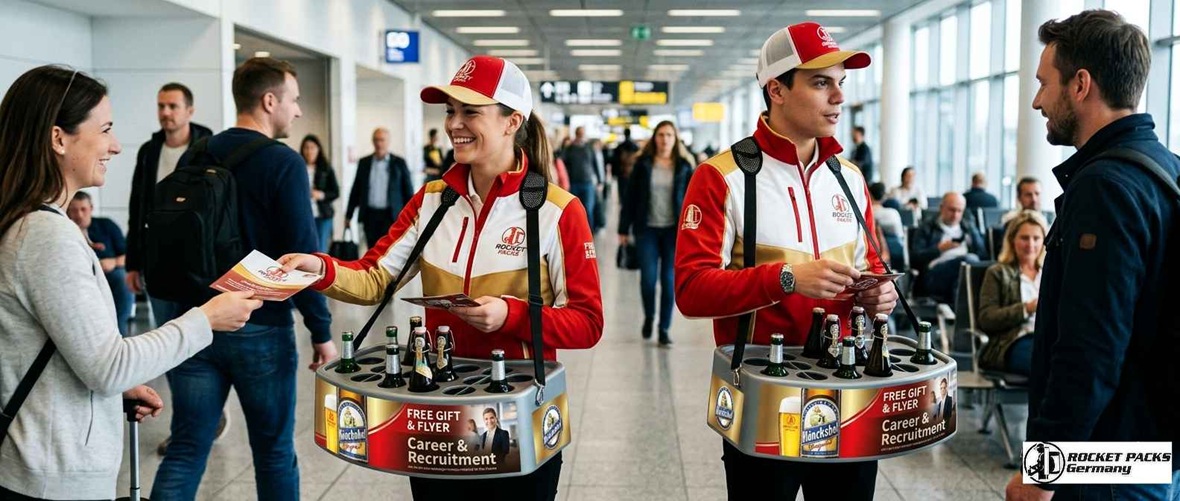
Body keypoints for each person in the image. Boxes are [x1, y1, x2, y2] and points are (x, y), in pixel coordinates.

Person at [279, 55, 603, 501]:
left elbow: (588, 322)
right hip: (437, 410)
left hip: (518, 410)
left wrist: (508, 314)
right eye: (450, 110)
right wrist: (319, 267)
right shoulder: (433, 200)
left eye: (471, 111)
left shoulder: (557, 210)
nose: (454, 123)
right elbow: (375, 277)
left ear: (512, 121)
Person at [0, 65, 259, 501]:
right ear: (58, 138)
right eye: (104, 130)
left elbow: (78, 354)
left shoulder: (38, 225)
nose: (115, 146)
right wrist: (205, 320)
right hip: (50, 478)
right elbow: (109, 365)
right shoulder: (45, 236)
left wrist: (116, 389)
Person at [675, 22, 896, 500]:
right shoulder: (721, 177)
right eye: (821, 83)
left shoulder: (850, 178)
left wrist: (882, 293)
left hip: (848, 386)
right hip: (762, 388)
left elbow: (873, 267)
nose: (838, 97)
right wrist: (788, 278)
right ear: (776, 89)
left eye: (841, 83)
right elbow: (692, 292)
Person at [1006, 11, 1180, 500]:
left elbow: (1090, 348)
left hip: (1104, 462)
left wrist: (1042, 471)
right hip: (1153, 451)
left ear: (1080, 84)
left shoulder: (1105, 188)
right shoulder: (1167, 171)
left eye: (1045, 83)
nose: (1038, 101)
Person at [150, 57, 337, 501]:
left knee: (187, 446)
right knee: (273, 450)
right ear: (269, 100)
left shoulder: (195, 152)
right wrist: (321, 331)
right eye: (292, 100)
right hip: (261, 326)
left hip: (196, 321)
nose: (296, 111)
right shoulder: (284, 163)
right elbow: (305, 256)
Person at [124, 82, 214, 328]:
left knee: (199, 336)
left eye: (173, 106)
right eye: (161, 106)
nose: (165, 112)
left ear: (189, 111)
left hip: (198, 260)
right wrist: (133, 264)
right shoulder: (149, 151)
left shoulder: (208, 149)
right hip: (158, 259)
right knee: (166, 333)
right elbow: (137, 207)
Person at [618, 120, 692, 346]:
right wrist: (623, 228)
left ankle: (664, 328)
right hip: (646, 229)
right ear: (655, 138)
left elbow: (693, 202)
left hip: (673, 231)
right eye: (661, 134)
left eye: (669, 135)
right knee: (648, 280)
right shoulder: (642, 164)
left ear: (675, 138)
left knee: (669, 281)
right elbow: (630, 197)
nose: (665, 139)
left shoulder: (684, 166)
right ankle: (650, 316)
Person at [977, 210, 1047, 376]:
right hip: (1012, 342)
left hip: (1048, 337)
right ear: (1012, 240)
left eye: (1036, 238)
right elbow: (987, 318)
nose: (1031, 244)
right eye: (1024, 238)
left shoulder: (1051, 273)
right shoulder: (997, 272)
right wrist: (1027, 308)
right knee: (1048, 361)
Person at [66, 191, 134, 336]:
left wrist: (114, 262)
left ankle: (119, 333)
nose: (79, 215)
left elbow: (127, 256)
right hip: (77, 276)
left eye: (83, 209)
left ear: (91, 208)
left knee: (120, 277)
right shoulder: (65, 230)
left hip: (109, 274)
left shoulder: (107, 225)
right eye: (74, 210)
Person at [911, 192, 987, 304]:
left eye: (959, 211)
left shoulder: (968, 228)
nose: (955, 215)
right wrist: (939, 249)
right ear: (941, 208)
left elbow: (983, 254)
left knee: (961, 279)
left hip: (964, 272)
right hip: (934, 274)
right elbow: (915, 259)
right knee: (969, 261)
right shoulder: (927, 228)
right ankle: (966, 317)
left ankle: (957, 317)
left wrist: (973, 235)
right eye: (952, 210)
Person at [346, 127, 415, 249]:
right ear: (372, 141)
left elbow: (408, 192)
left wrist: (411, 218)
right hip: (369, 215)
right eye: (376, 140)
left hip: (391, 215)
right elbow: (356, 190)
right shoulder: (364, 163)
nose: (379, 143)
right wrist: (348, 215)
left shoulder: (399, 163)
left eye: (382, 140)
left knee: (389, 250)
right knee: (371, 249)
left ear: (388, 142)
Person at [301, 134, 340, 253]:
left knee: (321, 249)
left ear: (318, 149)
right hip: (304, 215)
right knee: (305, 249)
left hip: (323, 215)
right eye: (306, 147)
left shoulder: (326, 168)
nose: (309, 151)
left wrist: (321, 195)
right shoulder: (298, 167)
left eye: (312, 147)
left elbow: (335, 192)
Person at [562, 126, 600, 230]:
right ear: (576, 134)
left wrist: (599, 180)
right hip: (574, 182)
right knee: (574, 210)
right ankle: (576, 231)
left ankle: (589, 232)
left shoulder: (589, 147)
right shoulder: (570, 148)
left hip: (587, 183)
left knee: (588, 209)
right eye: (579, 133)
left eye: (582, 133)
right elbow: (563, 163)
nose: (581, 135)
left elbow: (595, 163)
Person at [612, 127, 640, 201]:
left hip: (622, 173)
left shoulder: (619, 147)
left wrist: (614, 173)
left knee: (622, 194)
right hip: (633, 173)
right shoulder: (636, 147)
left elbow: (615, 161)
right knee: (634, 194)